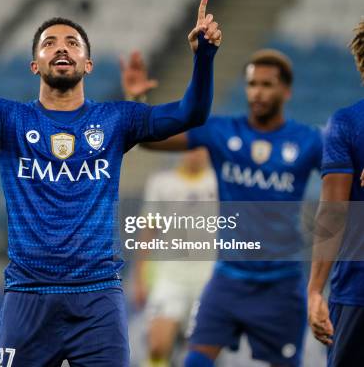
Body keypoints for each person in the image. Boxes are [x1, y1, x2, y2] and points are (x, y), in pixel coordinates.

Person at [0, 0, 221, 366]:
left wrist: (203, 59)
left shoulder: (116, 119)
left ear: (87, 64)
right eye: (49, 43)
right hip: (28, 296)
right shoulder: (7, 119)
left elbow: (191, 113)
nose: (61, 47)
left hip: (98, 298)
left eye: (72, 43)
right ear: (35, 65)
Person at [127, 49, 322, 366]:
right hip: (228, 278)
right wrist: (138, 104)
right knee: (195, 359)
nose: (257, 92)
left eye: (267, 84)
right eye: (252, 84)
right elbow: (151, 140)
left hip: (281, 284)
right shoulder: (220, 131)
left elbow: (345, 172)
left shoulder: (308, 140)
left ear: (286, 91)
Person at [308, 19, 364, 367]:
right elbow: (332, 210)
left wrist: (315, 289)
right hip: (356, 290)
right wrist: (315, 289)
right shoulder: (346, 124)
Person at [132, 147, 217, 367]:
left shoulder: (218, 182)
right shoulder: (161, 183)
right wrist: (140, 277)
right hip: (169, 277)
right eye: (190, 147)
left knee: (199, 353)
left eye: (200, 147)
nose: (194, 153)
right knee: (158, 346)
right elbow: (148, 231)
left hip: (207, 280)